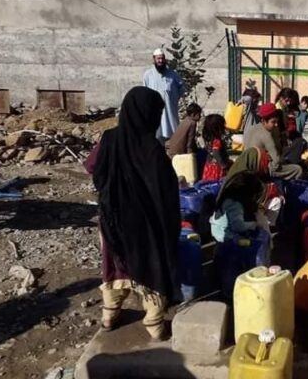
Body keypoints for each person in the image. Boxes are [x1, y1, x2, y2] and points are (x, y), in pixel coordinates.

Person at [85, 86, 181, 341]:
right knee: (151, 265)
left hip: (112, 219)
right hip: (145, 224)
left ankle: (109, 315)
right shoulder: (152, 149)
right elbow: (166, 190)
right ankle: (154, 323)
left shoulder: (109, 139)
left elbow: (92, 166)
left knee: (115, 266)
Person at [243, 103, 303, 180]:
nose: (276, 125)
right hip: (262, 169)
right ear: (264, 121)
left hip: (249, 166)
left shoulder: (252, 129)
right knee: (298, 169)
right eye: (273, 122)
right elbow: (276, 163)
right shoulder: (266, 135)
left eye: (277, 122)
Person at [143, 48, 185, 144]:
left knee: (173, 139)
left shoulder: (173, 75)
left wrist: (174, 100)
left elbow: (181, 89)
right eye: (158, 59)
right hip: (154, 114)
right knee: (156, 139)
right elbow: (145, 93)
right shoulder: (148, 75)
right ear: (154, 59)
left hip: (170, 113)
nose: (160, 61)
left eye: (162, 58)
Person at [201, 114, 232, 181]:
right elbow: (216, 153)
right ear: (218, 128)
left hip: (209, 166)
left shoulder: (209, 139)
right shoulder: (217, 141)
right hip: (217, 168)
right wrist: (224, 166)